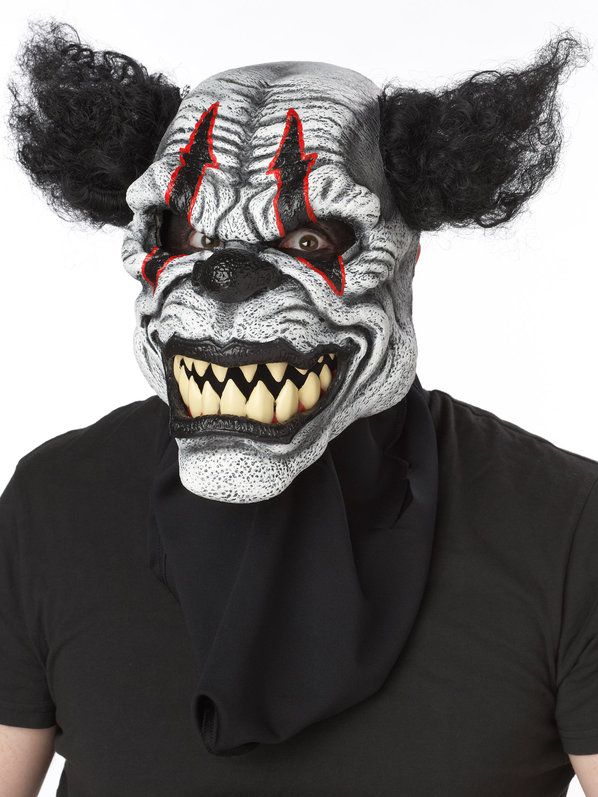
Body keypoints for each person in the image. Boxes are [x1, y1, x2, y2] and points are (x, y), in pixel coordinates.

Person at [1, 20, 596, 797]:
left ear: (408, 252)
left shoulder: (567, 526)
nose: (224, 279)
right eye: (187, 231)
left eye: (312, 239)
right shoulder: (53, 502)